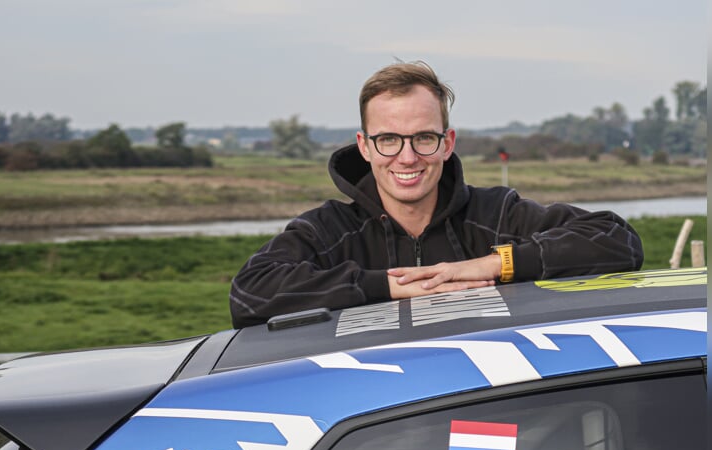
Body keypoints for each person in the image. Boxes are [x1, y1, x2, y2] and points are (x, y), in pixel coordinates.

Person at [229, 61, 643, 328]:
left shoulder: (495, 215)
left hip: (487, 416)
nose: (407, 157)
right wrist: (387, 287)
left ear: (447, 143)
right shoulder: (330, 230)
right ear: (365, 145)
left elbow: (617, 240)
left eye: (423, 138)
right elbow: (250, 293)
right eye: (389, 139)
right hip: (370, 432)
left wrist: (493, 264)